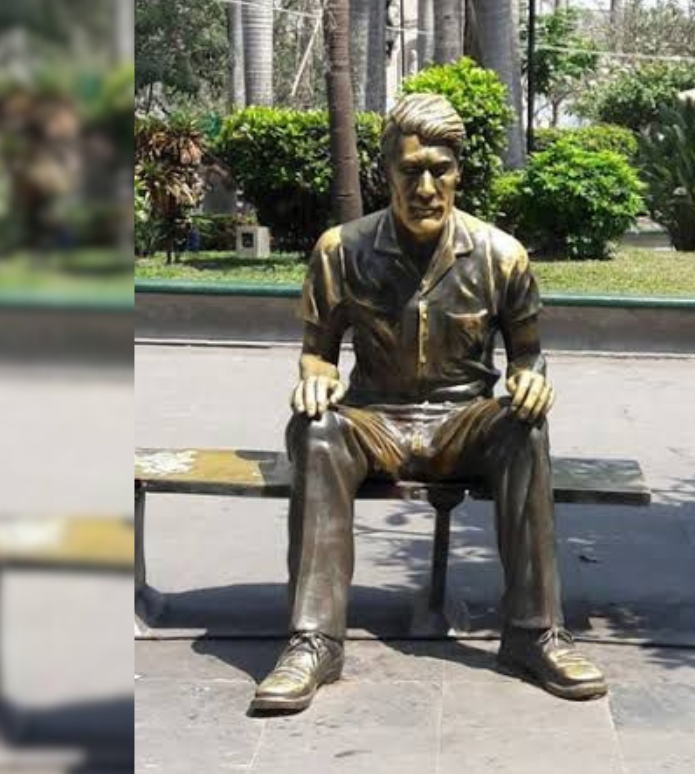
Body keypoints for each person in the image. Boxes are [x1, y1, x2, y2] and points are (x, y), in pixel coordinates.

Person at [249, 94, 607, 713]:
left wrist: (531, 380)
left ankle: (534, 633)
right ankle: (313, 642)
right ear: (385, 171)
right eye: (409, 170)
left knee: (526, 427)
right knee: (314, 430)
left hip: (462, 422)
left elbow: (528, 354)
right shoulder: (341, 250)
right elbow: (318, 353)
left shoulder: (502, 256)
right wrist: (315, 379)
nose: (425, 186)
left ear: (458, 171)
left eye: (439, 169)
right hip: (375, 418)